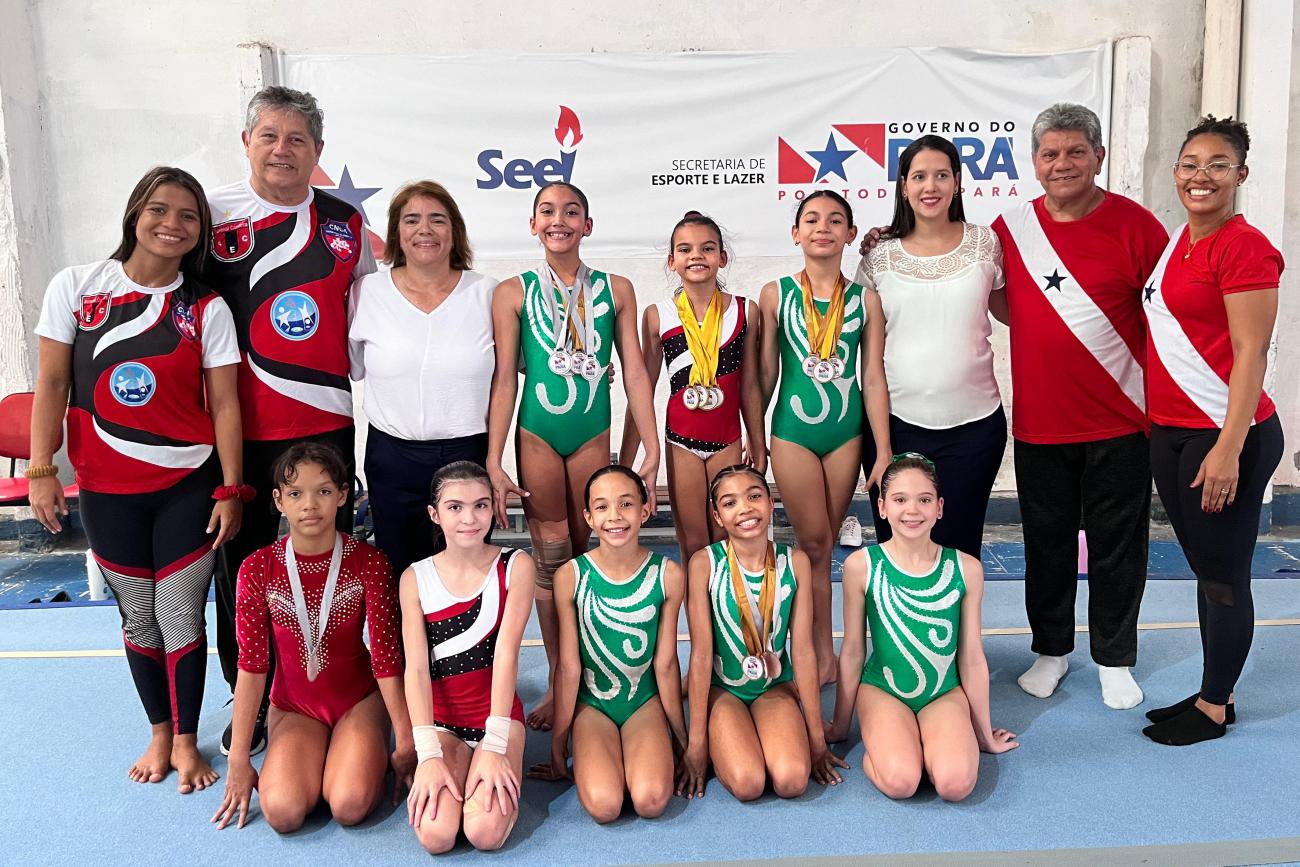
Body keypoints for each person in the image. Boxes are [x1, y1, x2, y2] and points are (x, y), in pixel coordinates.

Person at [29, 166, 244, 794]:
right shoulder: (77, 288)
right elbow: (52, 384)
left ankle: (186, 740)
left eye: (188, 216)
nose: (171, 224)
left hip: (187, 485)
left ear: (201, 230)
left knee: (179, 614)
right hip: (106, 490)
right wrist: (42, 469)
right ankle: (158, 730)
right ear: (134, 215)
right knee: (139, 618)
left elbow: (225, 404)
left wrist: (231, 488)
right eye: (159, 210)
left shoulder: (205, 308)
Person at [205, 85, 378, 755]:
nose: (283, 149)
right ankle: (246, 698)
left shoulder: (346, 222)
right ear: (246, 142)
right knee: (242, 571)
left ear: (318, 151)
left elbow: (367, 310)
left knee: (331, 567)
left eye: (297, 139)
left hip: (325, 421)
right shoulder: (212, 214)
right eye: (269, 136)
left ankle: (334, 689)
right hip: (237, 431)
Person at [990, 103, 1168, 709]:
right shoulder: (1011, 228)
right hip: (1041, 424)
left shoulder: (1139, 227)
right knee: (1047, 543)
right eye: (1050, 153)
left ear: (1098, 156)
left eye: (1074, 151)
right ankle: (1052, 650)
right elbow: (999, 300)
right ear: (1034, 162)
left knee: (1119, 544)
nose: (1061, 163)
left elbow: (1165, 316)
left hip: (1122, 420)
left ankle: (1115, 658)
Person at [487, 182, 660, 730]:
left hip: (591, 434)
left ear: (588, 224)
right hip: (537, 434)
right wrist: (494, 458)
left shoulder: (616, 289)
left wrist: (651, 445)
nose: (558, 220)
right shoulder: (513, 292)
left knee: (591, 554)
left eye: (571, 211)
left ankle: (595, 672)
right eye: (547, 211)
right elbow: (505, 381)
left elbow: (635, 372)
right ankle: (559, 677)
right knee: (551, 556)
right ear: (532, 224)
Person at [1140, 116, 1284, 746]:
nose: (1201, 176)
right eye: (1191, 164)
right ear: (1176, 172)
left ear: (1240, 175)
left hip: (1223, 436)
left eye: (1218, 165)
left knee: (1224, 576)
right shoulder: (1181, 240)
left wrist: (1230, 447)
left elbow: (1252, 353)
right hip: (1173, 431)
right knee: (1206, 570)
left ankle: (1215, 705)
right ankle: (1212, 689)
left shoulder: (1243, 246)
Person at [211, 442, 415, 832]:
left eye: (323, 491)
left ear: (342, 495)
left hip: (358, 699)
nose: (310, 505)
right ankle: (320, 758)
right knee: (283, 812)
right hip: (294, 706)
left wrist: (405, 740)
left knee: (350, 805)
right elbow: (252, 666)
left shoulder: (370, 562)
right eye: (295, 494)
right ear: (278, 501)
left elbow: (386, 658)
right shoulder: (257, 568)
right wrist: (238, 757)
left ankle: (355, 752)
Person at [827, 454, 1018, 801]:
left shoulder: (966, 569)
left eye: (924, 500)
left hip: (942, 692)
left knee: (955, 785)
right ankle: (897, 749)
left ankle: (926, 747)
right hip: (884, 690)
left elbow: (972, 657)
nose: (912, 510)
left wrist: (983, 734)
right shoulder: (862, 566)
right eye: (900, 499)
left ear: (939, 508)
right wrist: (841, 725)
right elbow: (853, 651)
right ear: (882, 507)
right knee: (901, 783)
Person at [854, 136, 1008, 558]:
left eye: (942, 175)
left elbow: (1014, 312)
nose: (930, 186)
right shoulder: (879, 257)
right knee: (901, 552)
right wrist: (882, 446)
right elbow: (869, 357)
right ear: (903, 186)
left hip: (975, 427)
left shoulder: (986, 243)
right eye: (919, 176)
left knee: (960, 550)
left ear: (957, 183)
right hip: (897, 426)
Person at [760, 190, 891, 683]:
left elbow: (872, 377)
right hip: (793, 433)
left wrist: (884, 451)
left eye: (835, 220)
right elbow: (765, 375)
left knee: (826, 544)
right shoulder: (775, 295)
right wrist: (754, 433)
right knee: (812, 542)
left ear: (850, 234)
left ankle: (822, 649)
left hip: (845, 435)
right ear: (796, 233)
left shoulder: (865, 300)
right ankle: (817, 650)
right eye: (812, 219)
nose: (823, 228)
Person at [349, 181, 499, 578]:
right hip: (392, 457)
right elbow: (353, 366)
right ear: (396, 232)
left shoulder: (487, 293)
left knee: (468, 572)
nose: (425, 230)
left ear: (455, 230)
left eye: (437, 219)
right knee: (400, 573)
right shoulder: (367, 292)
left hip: (467, 453)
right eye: (411, 220)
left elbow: (514, 374)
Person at [678, 465, 847, 802]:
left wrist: (816, 739)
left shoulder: (795, 562)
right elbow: (700, 655)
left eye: (754, 496)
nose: (745, 509)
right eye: (730, 503)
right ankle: (723, 735)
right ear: (717, 516)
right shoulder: (704, 564)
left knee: (792, 781)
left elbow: (803, 652)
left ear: (771, 503)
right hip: (725, 689)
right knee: (748, 784)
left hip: (774, 686)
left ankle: (767, 731)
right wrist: (696, 743)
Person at [528, 465, 686, 823]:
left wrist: (683, 740)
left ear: (645, 510)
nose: (614, 516)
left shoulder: (668, 575)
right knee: (604, 806)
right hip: (593, 704)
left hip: (643, 701)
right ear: (588, 517)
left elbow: (665, 664)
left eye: (626, 504)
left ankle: (650, 742)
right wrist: (558, 744)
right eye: (602, 507)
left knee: (651, 801)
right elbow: (569, 668)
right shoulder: (571, 576)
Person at [620, 210, 766, 568]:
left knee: (727, 538)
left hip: (727, 439)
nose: (696, 256)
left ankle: (726, 604)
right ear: (672, 261)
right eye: (685, 249)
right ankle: (696, 606)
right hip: (680, 441)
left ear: (722, 257)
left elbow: (749, 386)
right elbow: (641, 391)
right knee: (693, 541)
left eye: (707, 248)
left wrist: (758, 443)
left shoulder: (746, 311)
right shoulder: (658, 315)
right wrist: (625, 462)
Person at [400, 461, 534, 851]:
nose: (469, 519)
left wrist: (495, 743)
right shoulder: (415, 578)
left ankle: (491, 763)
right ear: (435, 514)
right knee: (437, 835)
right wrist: (427, 753)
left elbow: (507, 654)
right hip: (442, 724)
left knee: (485, 833)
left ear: (493, 508)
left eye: (480, 505)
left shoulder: (515, 566)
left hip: (498, 718)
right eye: (455, 507)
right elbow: (417, 669)